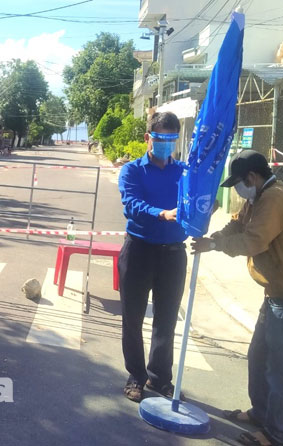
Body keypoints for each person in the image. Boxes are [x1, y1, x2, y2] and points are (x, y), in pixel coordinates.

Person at [192, 150, 283, 446]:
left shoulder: (275, 198)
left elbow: (252, 241)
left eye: (238, 183)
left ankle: (276, 435)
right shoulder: (258, 197)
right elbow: (238, 224)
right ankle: (261, 414)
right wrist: (214, 237)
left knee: (278, 368)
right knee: (259, 357)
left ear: (252, 177)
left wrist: (215, 245)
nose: (238, 189)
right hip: (275, 294)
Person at [117, 111, 188, 402]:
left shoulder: (183, 172)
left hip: (173, 255)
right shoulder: (132, 170)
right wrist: (160, 213)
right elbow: (131, 203)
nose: (165, 144)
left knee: (166, 319)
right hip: (139, 251)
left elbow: (195, 202)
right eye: (160, 138)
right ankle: (136, 375)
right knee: (132, 318)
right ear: (148, 138)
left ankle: (160, 378)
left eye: (171, 139)